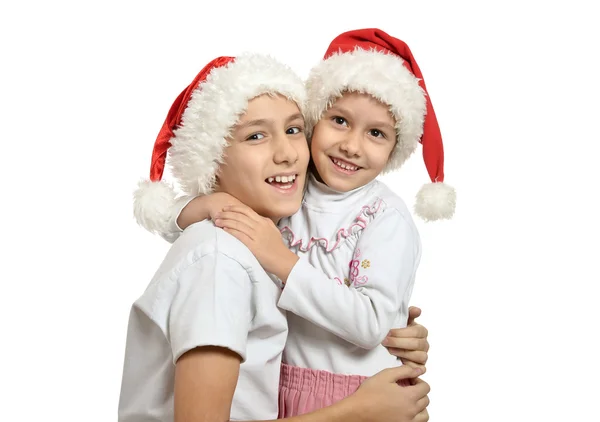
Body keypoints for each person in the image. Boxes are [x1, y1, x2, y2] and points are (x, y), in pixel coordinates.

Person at [161, 28, 455, 417]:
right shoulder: (290, 192)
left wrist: (281, 260)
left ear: (395, 148)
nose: (352, 145)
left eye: (376, 133)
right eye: (339, 120)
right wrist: (212, 204)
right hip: (281, 383)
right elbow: (172, 225)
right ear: (316, 119)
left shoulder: (384, 217)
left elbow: (373, 325)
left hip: (353, 390)